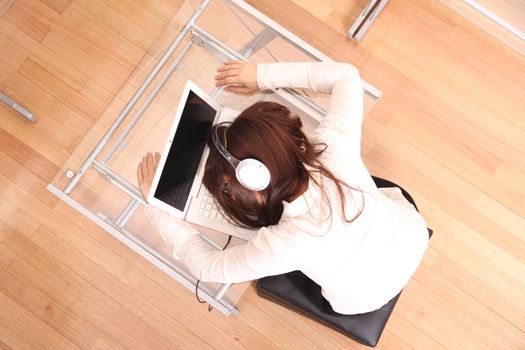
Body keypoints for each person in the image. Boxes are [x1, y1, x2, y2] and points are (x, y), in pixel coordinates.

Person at [137, 61, 429, 315]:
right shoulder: (334, 147)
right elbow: (346, 76)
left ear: (255, 179)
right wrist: (262, 75)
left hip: (366, 297)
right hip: (410, 235)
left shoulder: (283, 245)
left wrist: (157, 207)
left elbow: (207, 268)